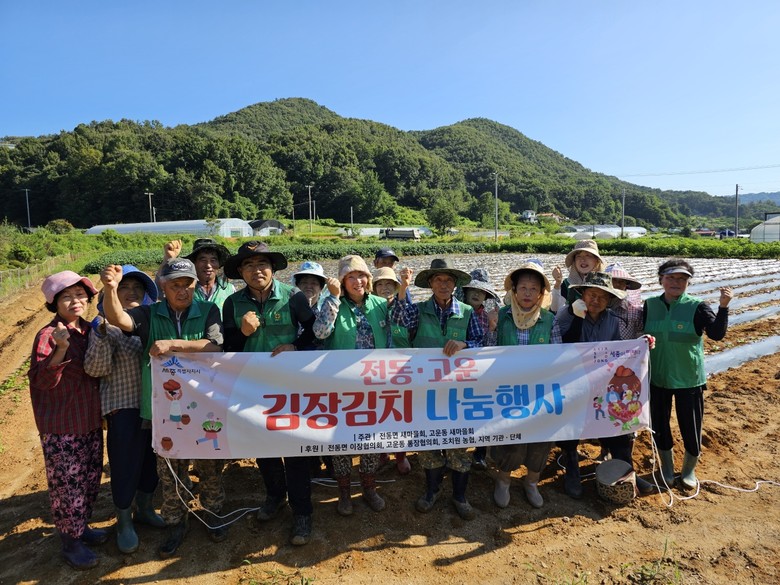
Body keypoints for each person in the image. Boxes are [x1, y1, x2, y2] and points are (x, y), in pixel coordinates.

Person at [100, 258, 226, 558]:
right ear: (163, 287)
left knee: (209, 464)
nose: (182, 291)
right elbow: (119, 319)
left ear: (195, 285)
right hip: (163, 409)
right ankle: (176, 523)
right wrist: (110, 288)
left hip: (204, 406)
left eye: (188, 285)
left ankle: (213, 514)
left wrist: (173, 344)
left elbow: (215, 346)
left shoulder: (209, 309)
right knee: (171, 470)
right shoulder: (148, 314)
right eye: (175, 285)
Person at [222, 241, 317, 546]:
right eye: (249, 265)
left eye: (262, 264)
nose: (257, 270)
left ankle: (302, 511)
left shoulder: (293, 296)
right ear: (240, 272)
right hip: (251, 387)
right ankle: (274, 496)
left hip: (290, 387)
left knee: (295, 448)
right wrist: (242, 333)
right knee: (263, 445)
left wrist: (295, 346)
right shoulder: (232, 303)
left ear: (272, 268)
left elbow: (314, 334)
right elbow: (227, 347)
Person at [391, 259, 484, 520]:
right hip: (425, 392)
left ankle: (460, 496)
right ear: (430, 284)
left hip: (458, 393)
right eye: (438, 280)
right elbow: (398, 321)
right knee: (428, 444)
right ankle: (431, 491)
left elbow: (482, 342)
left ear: (455, 284)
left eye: (448, 280)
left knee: (459, 445)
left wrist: (465, 344)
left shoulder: (467, 311)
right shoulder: (417, 309)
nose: (444, 284)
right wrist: (402, 288)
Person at [84, 265, 165, 554]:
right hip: (124, 408)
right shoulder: (105, 327)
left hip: (155, 407)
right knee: (124, 466)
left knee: (152, 462)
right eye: (124, 288)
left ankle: (145, 507)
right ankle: (124, 520)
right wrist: (102, 335)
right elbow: (95, 369)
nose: (132, 292)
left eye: (137, 288)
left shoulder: (151, 323)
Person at [28, 271, 106, 570]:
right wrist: (60, 348)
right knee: (67, 486)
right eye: (67, 297)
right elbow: (42, 380)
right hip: (62, 425)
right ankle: (70, 542)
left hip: (89, 419)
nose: (76, 301)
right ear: (54, 303)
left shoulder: (89, 330)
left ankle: (81, 527)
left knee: (89, 478)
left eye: (80, 295)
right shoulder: (48, 335)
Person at [552, 272, 648, 499]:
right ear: (582, 295)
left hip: (601, 382)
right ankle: (572, 469)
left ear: (609, 300)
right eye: (591, 295)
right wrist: (578, 318)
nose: (596, 300)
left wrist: (642, 345)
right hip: (572, 382)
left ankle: (627, 470)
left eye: (602, 296)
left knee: (616, 425)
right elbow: (562, 347)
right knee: (571, 425)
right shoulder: (566, 314)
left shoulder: (612, 320)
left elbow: (618, 351)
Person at [643, 259, 732, 489]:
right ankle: (666, 467)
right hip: (657, 377)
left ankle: (689, 470)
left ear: (688, 283)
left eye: (682, 279)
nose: (676, 282)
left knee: (690, 426)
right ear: (661, 279)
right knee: (659, 424)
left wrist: (723, 307)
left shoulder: (697, 307)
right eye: (671, 277)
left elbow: (716, 334)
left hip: (688, 379)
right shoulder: (649, 305)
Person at [314, 255, 389, 515]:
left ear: (369, 279)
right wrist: (334, 298)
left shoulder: (381, 304)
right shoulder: (332, 302)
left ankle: (369, 488)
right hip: (341, 385)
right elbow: (320, 333)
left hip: (375, 385)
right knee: (340, 439)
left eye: (362, 276)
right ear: (342, 282)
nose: (358, 281)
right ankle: (344, 492)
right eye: (351, 277)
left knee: (372, 438)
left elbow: (396, 337)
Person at [491, 260, 560, 509]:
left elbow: (559, 356)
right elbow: (487, 351)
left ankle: (532, 481)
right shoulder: (501, 316)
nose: (528, 293)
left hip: (539, 391)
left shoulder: (550, 320)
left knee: (540, 439)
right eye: (523, 288)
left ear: (541, 293)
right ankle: (503, 479)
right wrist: (491, 327)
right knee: (511, 438)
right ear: (514, 291)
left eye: (533, 289)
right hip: (508, 390)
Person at [457, 268, 500, 471]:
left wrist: (492, 327)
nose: (476, 294)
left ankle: (480, 452)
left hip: (482, 371)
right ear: (464, 291)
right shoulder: (455, 311)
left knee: (482, 410)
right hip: (457, 372)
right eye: (472, 290)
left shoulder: (491, 315)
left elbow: (492, 347)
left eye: (481, 291)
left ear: (486, 295)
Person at [372, 266, 412, 475]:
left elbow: (403, 322)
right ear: (373, 288)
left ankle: (401, 455)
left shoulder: (405, 305)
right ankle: (382, 453)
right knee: (378, 413)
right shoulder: (368, 308)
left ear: (396, 287)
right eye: (380, 284)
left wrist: (404, 289)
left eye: (389, 284)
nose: (385, 288)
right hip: (375, 370)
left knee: (400, 414)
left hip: (401, 370)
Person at [162, 238, 235, 311]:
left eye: (213, 260)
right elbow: (160, 290)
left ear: (219, 264)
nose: (208, 265)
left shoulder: (230, 290)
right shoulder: (184, 289)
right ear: (193, 263)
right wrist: (168, 258)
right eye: (203, 260)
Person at [551, 239, 606, 312]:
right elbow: (555, 309)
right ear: (574, 261)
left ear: (596, 261)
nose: (582, 259)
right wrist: (557, 284)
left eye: (587, 255)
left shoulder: (605, 284)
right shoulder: (567, 284)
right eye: (578, 256)